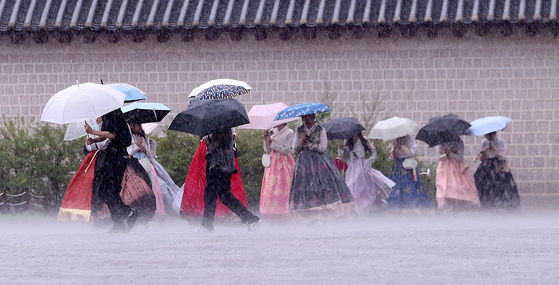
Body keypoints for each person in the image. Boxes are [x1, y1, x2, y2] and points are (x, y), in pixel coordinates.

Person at [290, 113, 357, 221]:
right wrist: (302, 141)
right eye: (305, 118)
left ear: (313, 118)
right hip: (304, 163)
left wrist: (311, 145)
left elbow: (323, 147)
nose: (308, 120)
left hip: (319, 161)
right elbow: (295, 149)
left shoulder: (320, 130)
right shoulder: (299, 130)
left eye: (310, 118)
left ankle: (329, 212)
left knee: (324, 185)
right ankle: (310, 215)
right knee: (306, 188)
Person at [86, 109, 139, 233]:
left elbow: (113, 134)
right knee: (104, 191)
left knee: (109, 190)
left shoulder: (114, 113)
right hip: (111, 155)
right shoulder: (107, 114)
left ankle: (128, 213)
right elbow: (107, 134)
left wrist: (92, 131)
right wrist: (93, 140)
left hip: (118, 157)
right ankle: (119, 221)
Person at [199, 128, 261, 232]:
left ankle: (251, 219)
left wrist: (208, 141)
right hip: (222, 165)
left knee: (217, 196)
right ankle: (207, 224)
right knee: (218, 196)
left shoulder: (220, 127)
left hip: (219, 166)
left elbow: (215, 147)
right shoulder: (222, 127)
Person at [128, 119, 180, 217]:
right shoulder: (129, 137)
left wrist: (144, 150)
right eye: (136, 124)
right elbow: (128, 152)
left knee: (158, 186)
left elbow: (149, 153)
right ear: (131, 125)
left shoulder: (144, 136)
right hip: (134, 164)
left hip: (146, 163)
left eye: (139, 124)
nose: (139, 126)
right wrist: (137, 145)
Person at [338, 132, 395, 213]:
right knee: (350, 186)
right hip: (351, 166)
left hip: (361, 165)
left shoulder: (364, 140)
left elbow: (373, 152)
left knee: (360, 186)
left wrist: (368, 162)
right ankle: (354, 208)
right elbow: (342, 157)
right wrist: (341, 149)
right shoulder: (347, 141)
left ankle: (363, 207)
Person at [474, 131, 521, 210]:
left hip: (498, 165)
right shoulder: (484, 142)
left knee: (501, 184)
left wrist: (494, 149)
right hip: (487, 165)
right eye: (487, 136)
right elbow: (482, 159)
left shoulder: (501, 142)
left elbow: (502, 157)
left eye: (490, 136)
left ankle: (503, 204)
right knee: (483, 183)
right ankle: (486, 203)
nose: (489, 138)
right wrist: (483, 153)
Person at [259, 123, 295, 219]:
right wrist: (266, 139)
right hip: (273, 161)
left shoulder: (289, 132)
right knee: (271, 186)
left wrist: (272, 144)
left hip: (284, 162)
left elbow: (286, 150)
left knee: (284, 185)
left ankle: (285, 210)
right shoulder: (272, 132)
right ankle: (272, 210)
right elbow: (267, 149)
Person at [386, 135, 432, 210]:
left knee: (410, 185)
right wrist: (394, 150)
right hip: (397, 166)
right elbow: (393, 155)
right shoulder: (395, 140)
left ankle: (412, 205)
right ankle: (396, 205)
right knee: (396, 185)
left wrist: (404, 148)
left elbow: (411, 153)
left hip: (407, 166)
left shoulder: (409, 139)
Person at [435, 138, 481, 211]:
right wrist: (445, 155)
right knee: (444, 185)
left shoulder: (459, 142)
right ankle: (447, 203)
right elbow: (438, 157)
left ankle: (458, 204)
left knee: (457, 185)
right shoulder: (441, 143)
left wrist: (451, 154)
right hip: (444, 167)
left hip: (457, 166)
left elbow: (460, 157)